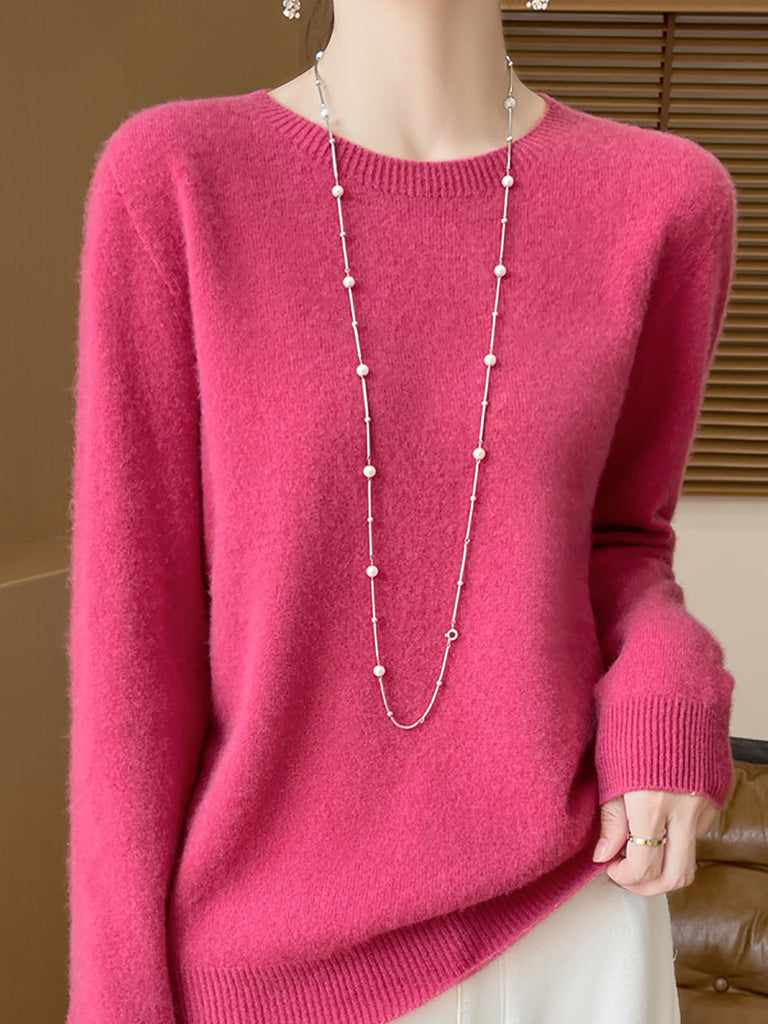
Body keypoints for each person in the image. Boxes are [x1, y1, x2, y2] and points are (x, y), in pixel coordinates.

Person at [65, 1, 738, 1022]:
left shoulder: (665, 199)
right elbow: (129, 640)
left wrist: (668, 671)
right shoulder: (176, 178)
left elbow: (621, 539)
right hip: (269, 954)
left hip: (574, 919)